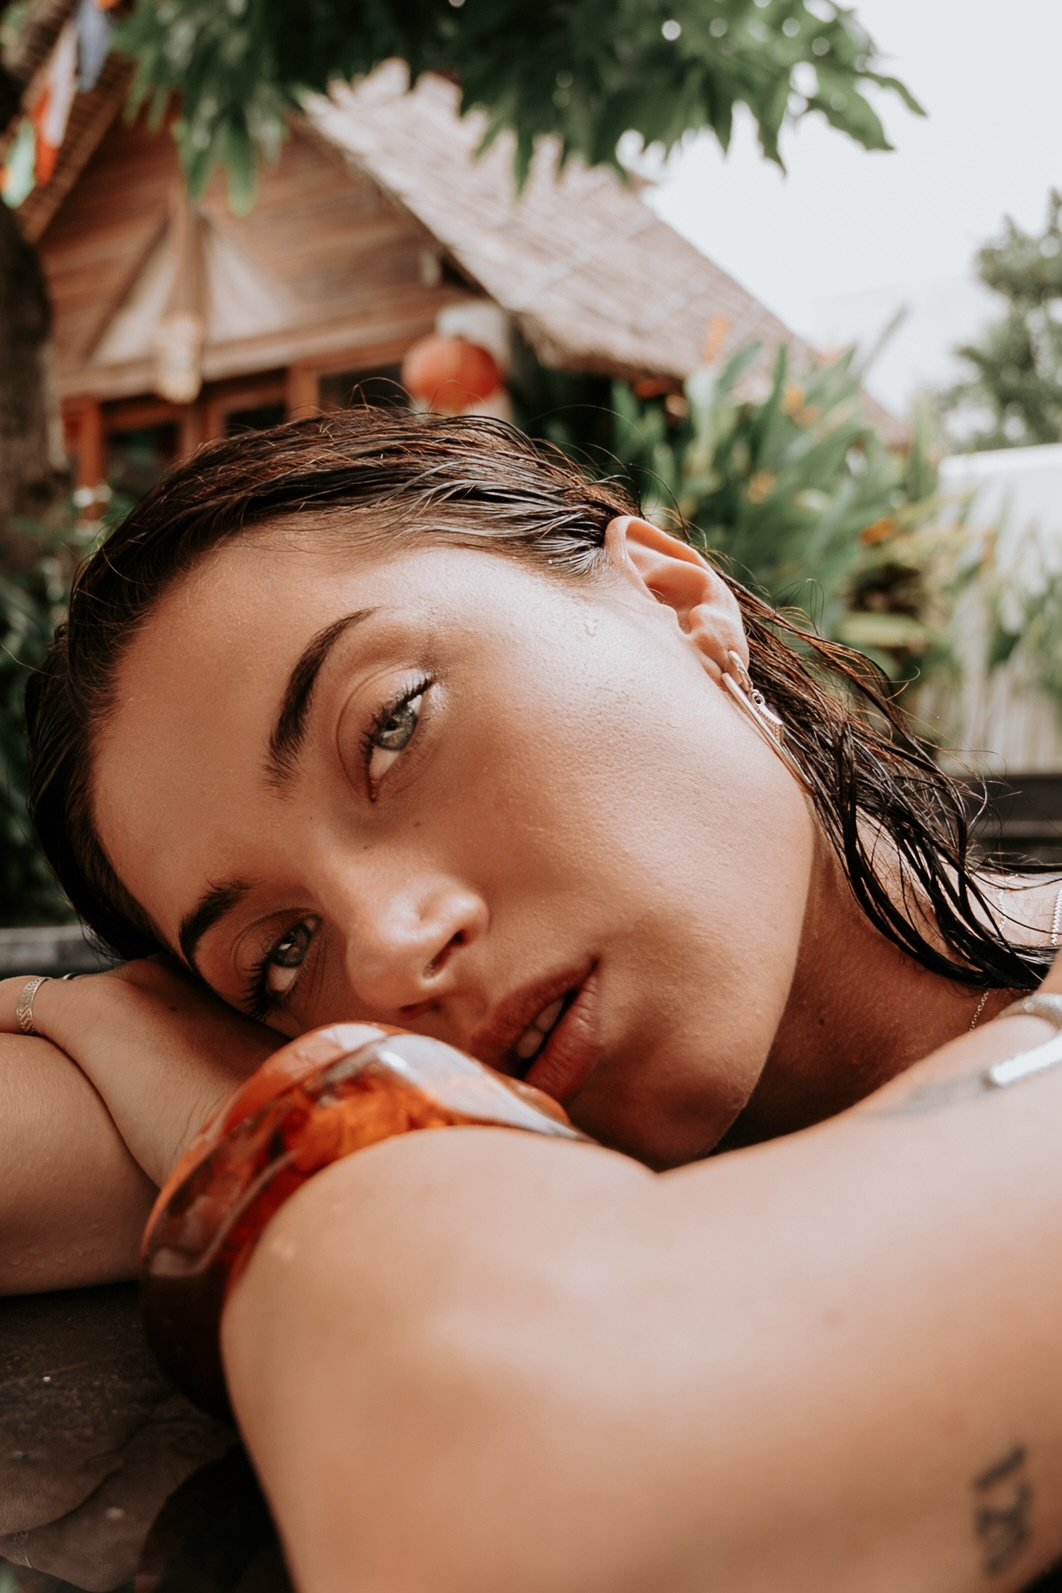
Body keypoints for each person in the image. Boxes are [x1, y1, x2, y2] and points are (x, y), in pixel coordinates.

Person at [5, 408, 1062, 1591]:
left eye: (394, 726)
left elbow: (531, 1487)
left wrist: (279, 1122)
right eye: (283, 951)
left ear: (675, 602)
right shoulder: (496, 1106)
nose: (393, 956)